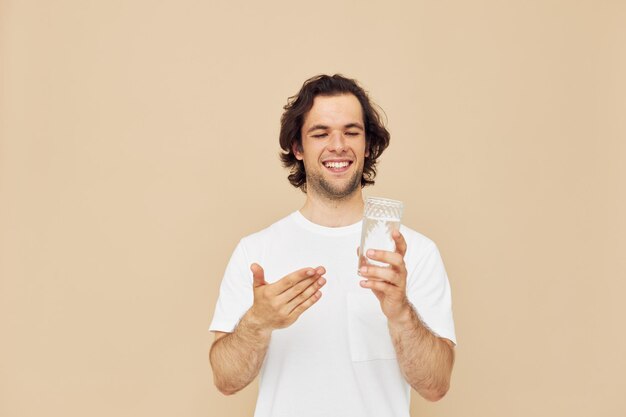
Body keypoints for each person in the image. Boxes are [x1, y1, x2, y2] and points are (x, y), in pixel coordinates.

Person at [209, 74, 456, 417]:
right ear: (298, 147)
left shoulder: (414, 253)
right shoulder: (256, 252)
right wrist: (258, 321)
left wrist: (401, 313)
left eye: (352, 132)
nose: (338, 145)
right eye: (320, 133)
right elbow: (226, 380)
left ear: (368, 145)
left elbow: (436, 385)